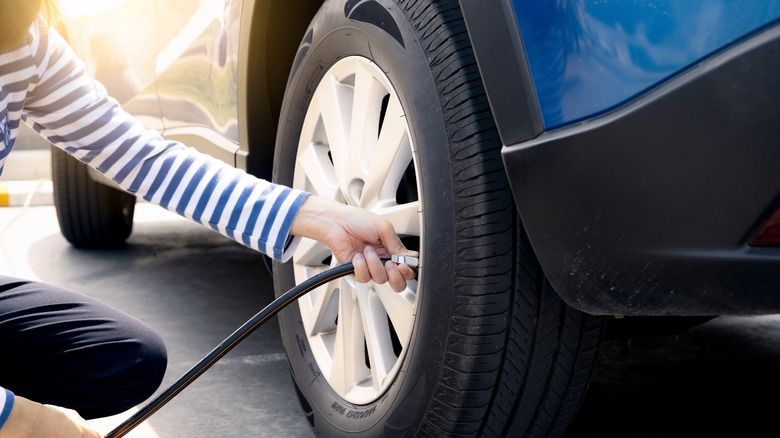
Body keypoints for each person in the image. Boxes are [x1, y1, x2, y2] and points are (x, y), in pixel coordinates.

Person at [0, 1, 417, 436]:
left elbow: (144, 160)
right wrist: (25, 422)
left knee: (128, 359)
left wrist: (321, 217)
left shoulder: (24, 45)